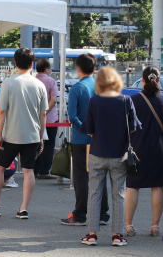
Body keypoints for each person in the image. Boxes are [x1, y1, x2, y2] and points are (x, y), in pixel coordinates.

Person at [0, 48, 47, 219]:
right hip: (31, 135)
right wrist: (40, 137)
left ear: (15, 64)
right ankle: (23, 208)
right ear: (32, 64)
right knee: (28, 171)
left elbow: (1, 112)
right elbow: (43, 114)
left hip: (10, 134)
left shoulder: (8, 83)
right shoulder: (40, 85)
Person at [79, 67, 140, 247]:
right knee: (118, 195)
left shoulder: (94, 101)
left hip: (97, 153)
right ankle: (117, 235)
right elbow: (133, 128)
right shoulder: (126, 101)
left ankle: (91, 235)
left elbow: (88, 131)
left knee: (94, 194)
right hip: (119, 155)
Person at [125, 66, 163, 237]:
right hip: (159, 148)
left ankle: (129, 226)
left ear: (143, 80)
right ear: (158, 80)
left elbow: (126, 126)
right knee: (157, 186)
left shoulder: (132, 99)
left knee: (133, 186)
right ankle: (155, 226)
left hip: (137, 148)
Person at [61, 53, 110, 227]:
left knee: (81, 176)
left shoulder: (76, 89)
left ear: (78, 68)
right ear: (94, 68)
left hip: (81, 138)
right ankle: (103, 213)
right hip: (98, 138)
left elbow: (72, 116)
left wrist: (86, 129)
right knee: (99, 175)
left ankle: (80, 214)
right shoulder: (100, 87)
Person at [34, 59, 59, 179]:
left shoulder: (32, 81)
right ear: (47, 69)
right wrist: (44, 112)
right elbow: (53, 100)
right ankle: (44, 170)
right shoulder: (51, 81)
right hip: (50, 119)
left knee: (34, 144)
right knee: (49, 145)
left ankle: (33, 169)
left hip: (33, 119)